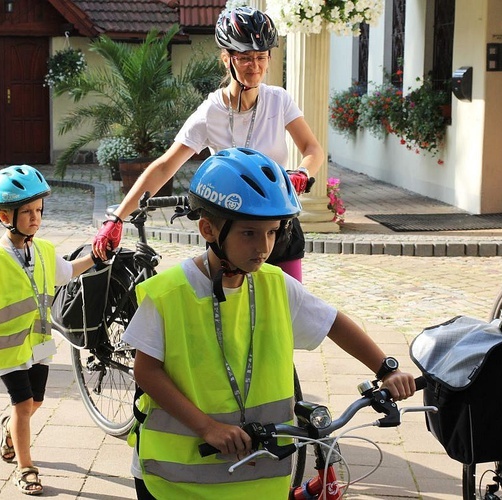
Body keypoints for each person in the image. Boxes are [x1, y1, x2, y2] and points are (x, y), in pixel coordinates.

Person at [122, 148, 416, 499]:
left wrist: (385, 368)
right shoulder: (168, 294)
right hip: (176, 479)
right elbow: (147, 372)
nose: (264, 246)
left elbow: (334, 322)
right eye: (249, 233)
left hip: (257, 477)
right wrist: (208, 427)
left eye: (273, 232)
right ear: (208, 228)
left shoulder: (276, 286)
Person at [92, 6, 324, 283]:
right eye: (246, 58)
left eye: (262, 57)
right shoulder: (210, 112)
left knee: (291, 309)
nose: (256, 66)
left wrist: (302, 173)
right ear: (226, 59)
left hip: (278, 223)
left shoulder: (279, 100)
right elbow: (166, 165)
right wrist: (116, 218)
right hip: (230, 230)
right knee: (229, 313)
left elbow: (313, 149)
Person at [0, 165, 100, 496]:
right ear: (4, 215)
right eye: (27, 212)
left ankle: (9, 431)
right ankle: (25, 467)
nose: (35, 218)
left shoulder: (44, 250)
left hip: (40, 343)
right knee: (22, 404)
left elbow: (68, 272)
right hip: (8, 349)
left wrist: (95, 256)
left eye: (38, 210)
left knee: (37, 402)